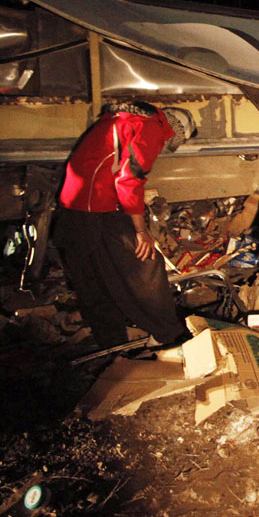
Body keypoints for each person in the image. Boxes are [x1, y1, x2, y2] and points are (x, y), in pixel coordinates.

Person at [52, 102, 196, 348]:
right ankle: (172, 336)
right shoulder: (150, 128)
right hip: (96, 208)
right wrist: (141, 231)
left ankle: (113, 346)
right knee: (146, 266)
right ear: (176, 129)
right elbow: (129, 181)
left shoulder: (124, 120)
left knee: (94, 281)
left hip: (76, 209)